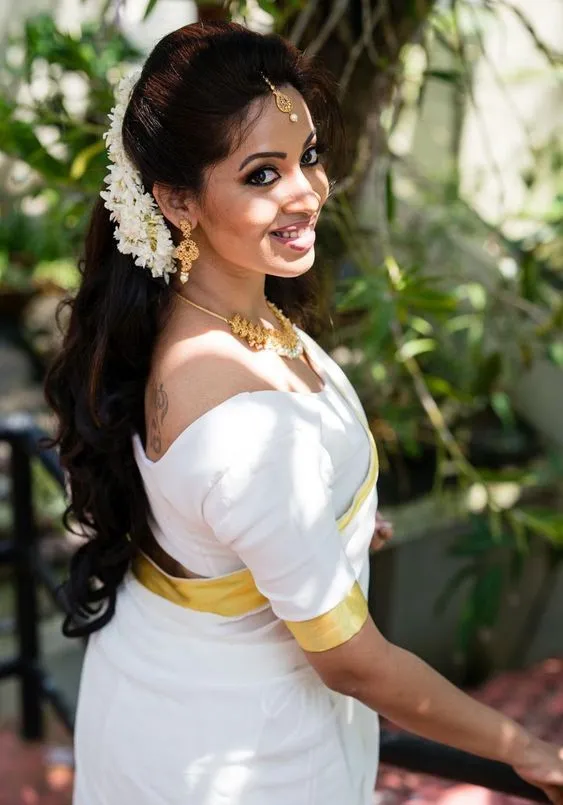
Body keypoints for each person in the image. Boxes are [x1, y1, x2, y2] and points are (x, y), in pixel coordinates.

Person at [43, 20, 563, 805]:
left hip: (168, 686)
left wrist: (330, 530)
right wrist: (524, 749)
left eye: (308, 156)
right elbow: (353, 662)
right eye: (262, 174)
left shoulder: (199, 312)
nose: (306, 192)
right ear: (177, 200)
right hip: (243, 753)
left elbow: (218, 513)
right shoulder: (241, 422)